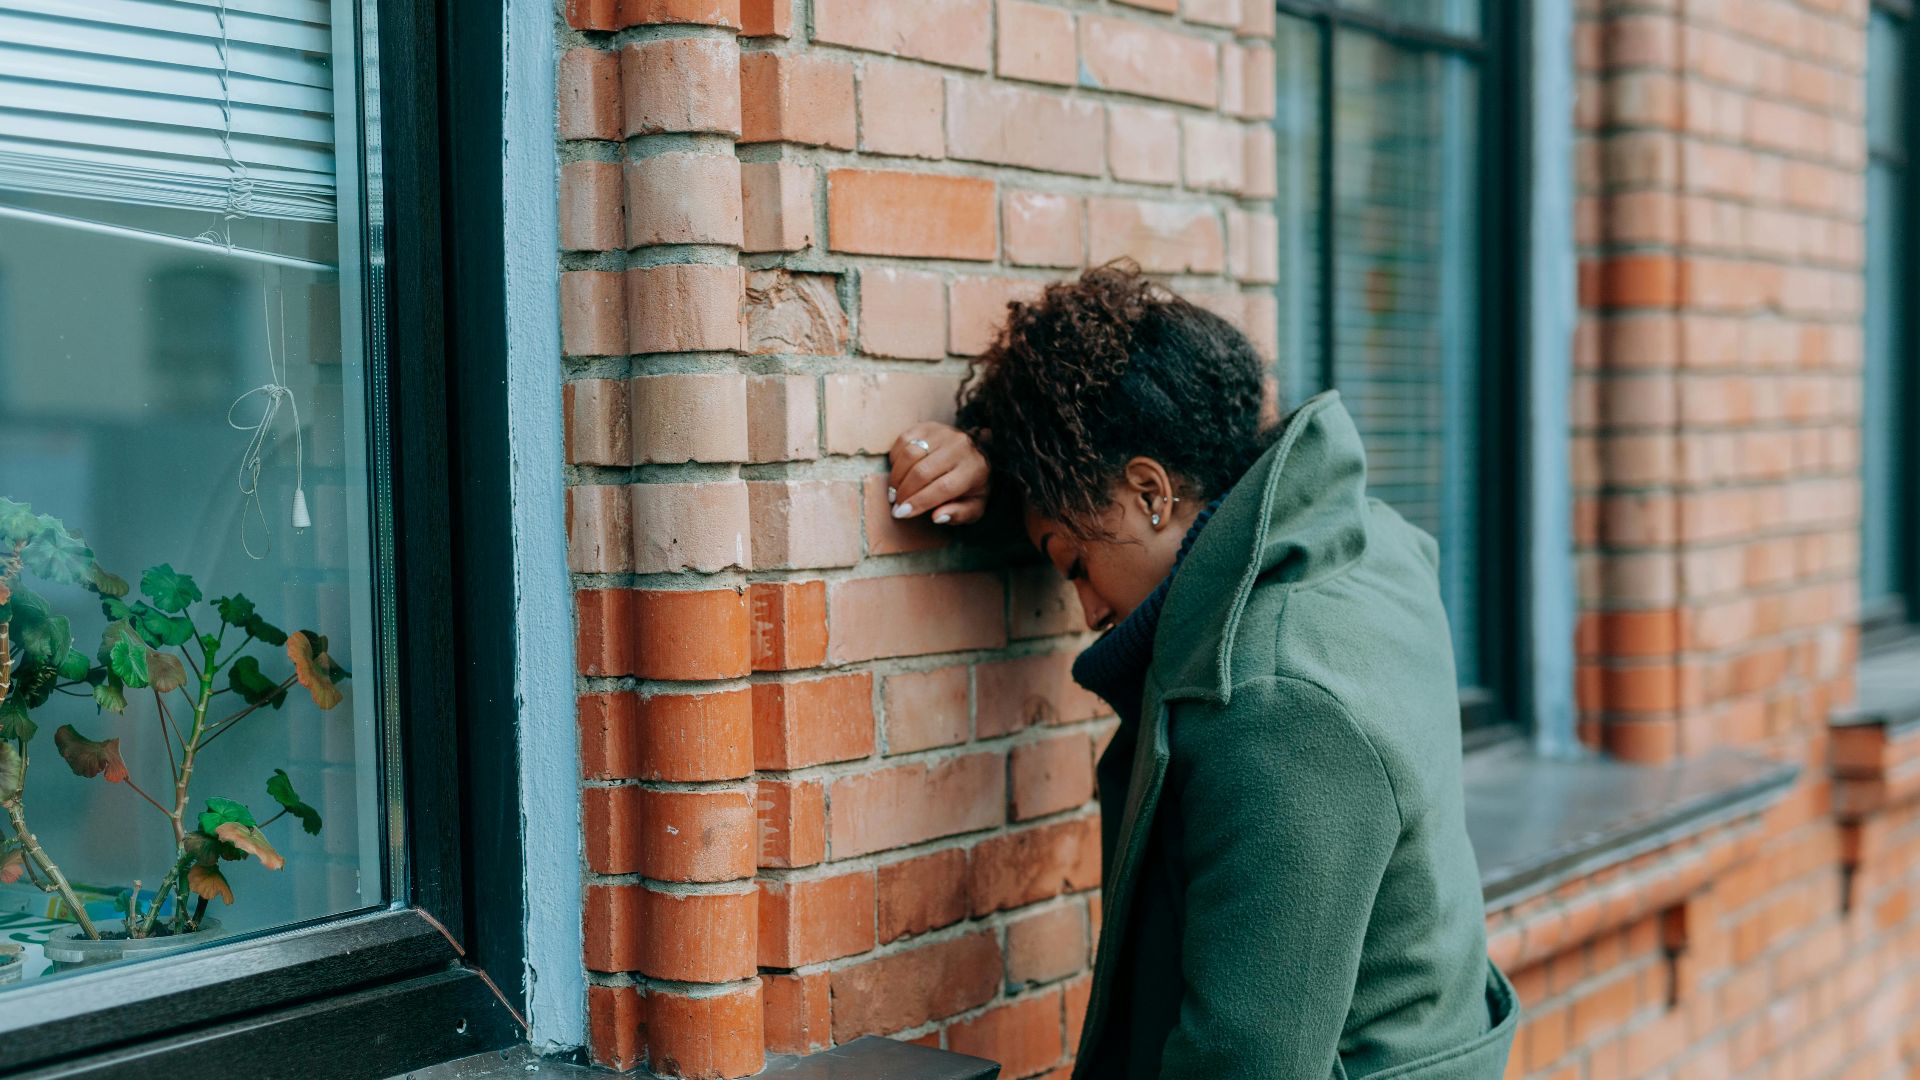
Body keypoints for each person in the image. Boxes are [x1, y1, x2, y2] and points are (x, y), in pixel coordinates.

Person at [885, 263, 1519, 1078]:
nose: (1082, 609)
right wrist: (1013, 488)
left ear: (1149, 490)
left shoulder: (1273, 700)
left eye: (1072, 563)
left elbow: (1244, 1062)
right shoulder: (1363, 542)